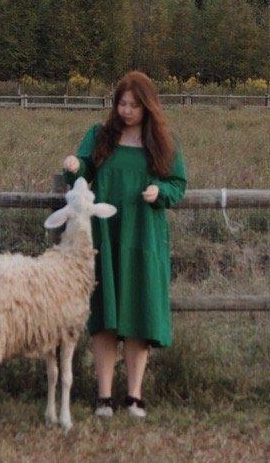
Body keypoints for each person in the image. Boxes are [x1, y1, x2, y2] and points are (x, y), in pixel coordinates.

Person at [62, 69, 186, 419]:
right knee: (106, 315)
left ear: (148, 107)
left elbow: (178, 183)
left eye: (133, 105)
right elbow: (83, 169)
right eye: (121, 103)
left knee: (137, 311)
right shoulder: (99, 136)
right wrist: (75, 165)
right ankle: (103, 396)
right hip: (105, 234)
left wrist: (161, 191)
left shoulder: (162, 143)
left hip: (143, 236)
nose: (126, 110)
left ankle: (134, 395)